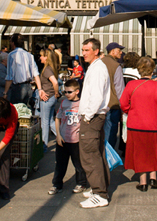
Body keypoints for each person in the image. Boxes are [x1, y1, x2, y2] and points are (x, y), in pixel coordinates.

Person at [120, 56, 157, 192]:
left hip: (135, 124)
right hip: (153, 125)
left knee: (139, 153)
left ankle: (143, 182)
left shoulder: (131, 85)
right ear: (153, 71)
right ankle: (153, 178)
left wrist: (130, 111)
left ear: (139, 70)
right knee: (153, 151)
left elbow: (123, 103)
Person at [77, 38, 111, 209]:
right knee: (96, 153)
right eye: (83, 50)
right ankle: (99, 189)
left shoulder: (98, 69)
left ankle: (100, 193)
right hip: (94, 115)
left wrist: (87, 116)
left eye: (87, 50)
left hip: (93, 116)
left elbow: (97, 96)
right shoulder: (95, 67)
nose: (83, 53)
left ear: (96, 51)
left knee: (89, 155)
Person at [48, 79, 89, 195]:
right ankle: (57, 184)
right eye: (65, 92)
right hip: (63, 139)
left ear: (77, 91)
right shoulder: (63, 103)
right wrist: (58, 135)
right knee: (60, 164)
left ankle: (81, 183)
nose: (67, 94)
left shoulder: (82, 104)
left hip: (76, 140)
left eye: (69, 92)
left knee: (78, 164)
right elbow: (57, 118)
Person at [4, 34, 40, 105]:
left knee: (17, 110)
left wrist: (5, 92)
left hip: (18, 87)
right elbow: (36, 74)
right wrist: (40, 89)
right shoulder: (30, 55)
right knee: (26, 110)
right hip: (28, 86)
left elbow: (10, 76)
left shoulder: (11, 55)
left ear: (13, 43)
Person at [102, 42, 126, 150]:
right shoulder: (116, 66)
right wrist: (123, 107)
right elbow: (119, 89)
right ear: (112, 51)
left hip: (100, 104)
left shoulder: (99, 63)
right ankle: (109, 158)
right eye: (119, 50)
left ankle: (102, 155)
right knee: (111, 132)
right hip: (113, 105)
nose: (121, 52)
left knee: (102, 131)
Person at [38, 48, 61, 148]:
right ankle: (62, 137)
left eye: (42, 56)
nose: (40, 57)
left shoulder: (47, 69)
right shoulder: (51, 68)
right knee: (50, 121)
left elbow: (55, 82)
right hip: (51, 97)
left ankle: (44, 145)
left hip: (47, 98)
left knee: (45, 122)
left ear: (46, 57)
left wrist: (56, 93)